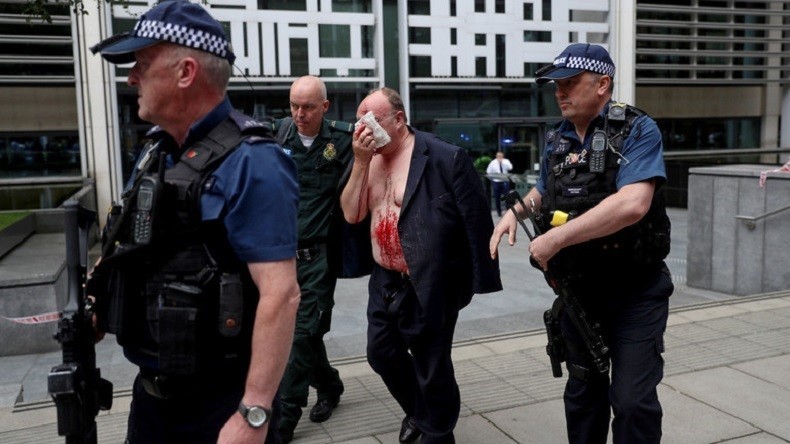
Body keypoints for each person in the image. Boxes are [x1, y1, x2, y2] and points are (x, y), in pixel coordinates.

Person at [89, 1, 300, 442]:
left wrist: (253, 413)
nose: (131, 78)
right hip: (152, 401)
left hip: (221, 406)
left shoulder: (253, 162)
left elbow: (280, 293)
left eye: (142, 64)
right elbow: (144, 253)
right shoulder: (155, 152)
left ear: (186, 72)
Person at [489, 43, 673, 444]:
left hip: (635, 292)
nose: (560, 93)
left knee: (632, 402)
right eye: (557, 85)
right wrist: (514, 213)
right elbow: (542, 190)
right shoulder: (558, 138)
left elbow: (632, 204)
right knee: (583, 395)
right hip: (579, 292)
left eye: (570, 83)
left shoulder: (638, 130)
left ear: (603, 84)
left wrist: (556, 238)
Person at [341, 87, 502, 443]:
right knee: (380, 353)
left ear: (398, 120)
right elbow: (352, 213)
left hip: (431, 279)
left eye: (372, 121)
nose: (364, 131)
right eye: (359, 123)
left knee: (432, 365)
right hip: (385, 277)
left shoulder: (444, 157)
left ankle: (437, 432)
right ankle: (421, 412)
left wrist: (473, 282)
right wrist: (361, 163)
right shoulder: (365, 159)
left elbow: (476, 221)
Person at [270, 75, 353, 443]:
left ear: (325, 106)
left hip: (317, 258)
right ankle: (330, 385)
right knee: (304, 334)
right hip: (278, 259)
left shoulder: (344, 139)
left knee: (301, 336)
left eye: (307, 107)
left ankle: (284, 421)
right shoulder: (274, 136)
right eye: (294, 106)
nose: (299, 114)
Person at [485, 151, 514, 216]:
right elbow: (488, 171)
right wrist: (492, 179)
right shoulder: (493, 162)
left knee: (507, 196)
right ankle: (499, 212)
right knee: (497, 197)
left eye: (501, 156)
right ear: (496, 156)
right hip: (496, 181)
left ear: (503, 156)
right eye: (498, 156)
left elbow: (510, 167)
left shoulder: (506, 161)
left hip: (504, 181)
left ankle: (508, 210)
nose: (499, 157)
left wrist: (503, 163)